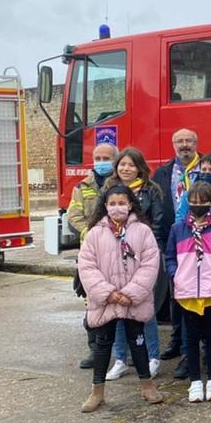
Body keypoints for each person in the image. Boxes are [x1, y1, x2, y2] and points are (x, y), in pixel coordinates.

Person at [77, 184, 164, 412]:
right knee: (103, 345)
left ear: (131, 204)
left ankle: (147, 386)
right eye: (112, 203)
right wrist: (108, 293)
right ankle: (97, 392)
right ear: (105, 206)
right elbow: (86, 266)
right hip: (106, 301)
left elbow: (150, 264)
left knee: (138, 341)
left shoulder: (143, 232)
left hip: (133, 300)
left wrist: (131, 293)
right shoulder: (95, 233)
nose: (117, 208)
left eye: (122, 203)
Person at [165, 181, 211, 403]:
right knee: (190, 340)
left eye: (202, 201)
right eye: (192, 202)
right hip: (187, 294)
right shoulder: (178, 229)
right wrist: (176, 275)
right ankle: (195, 382)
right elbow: (169, 258)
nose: (197, 205)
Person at [104, 147, 165, 381]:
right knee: (118, 310)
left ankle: (153, 357)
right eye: (122, 164)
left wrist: (150, 255)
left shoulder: (151, 190)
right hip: (114, 258)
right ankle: (120, 359)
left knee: (144, 310)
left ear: (139, 167)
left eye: (131, 165)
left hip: (142, 258)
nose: (126, 169)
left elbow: (158, 224)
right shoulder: (108, 190)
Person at [153, 128, 201, 376]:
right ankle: (176, 339)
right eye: (180, 141)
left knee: (197, 295)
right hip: (174, 242)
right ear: (173, 144)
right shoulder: (162, 173)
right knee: (175, 294)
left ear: (196, 143)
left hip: (202, 242)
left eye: (189, 140)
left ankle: (192, 348)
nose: (185, 145)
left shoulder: (206, 170)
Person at [69, 142, 118, 369]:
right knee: (92, 303)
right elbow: (74, 216)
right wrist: (93, 233)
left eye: (106, 158)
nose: (101, 162)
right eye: (97, 158)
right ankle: (95, 350)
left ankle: (121, 353)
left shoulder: (118, 184)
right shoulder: (82, 186)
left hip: (116, 252)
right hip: (90, 253)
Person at [176, 153, 211, 226]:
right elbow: (180, 219)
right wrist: (193, 227)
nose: (207, 172)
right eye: (203, 169)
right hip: (190, 235)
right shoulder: (188, 194)